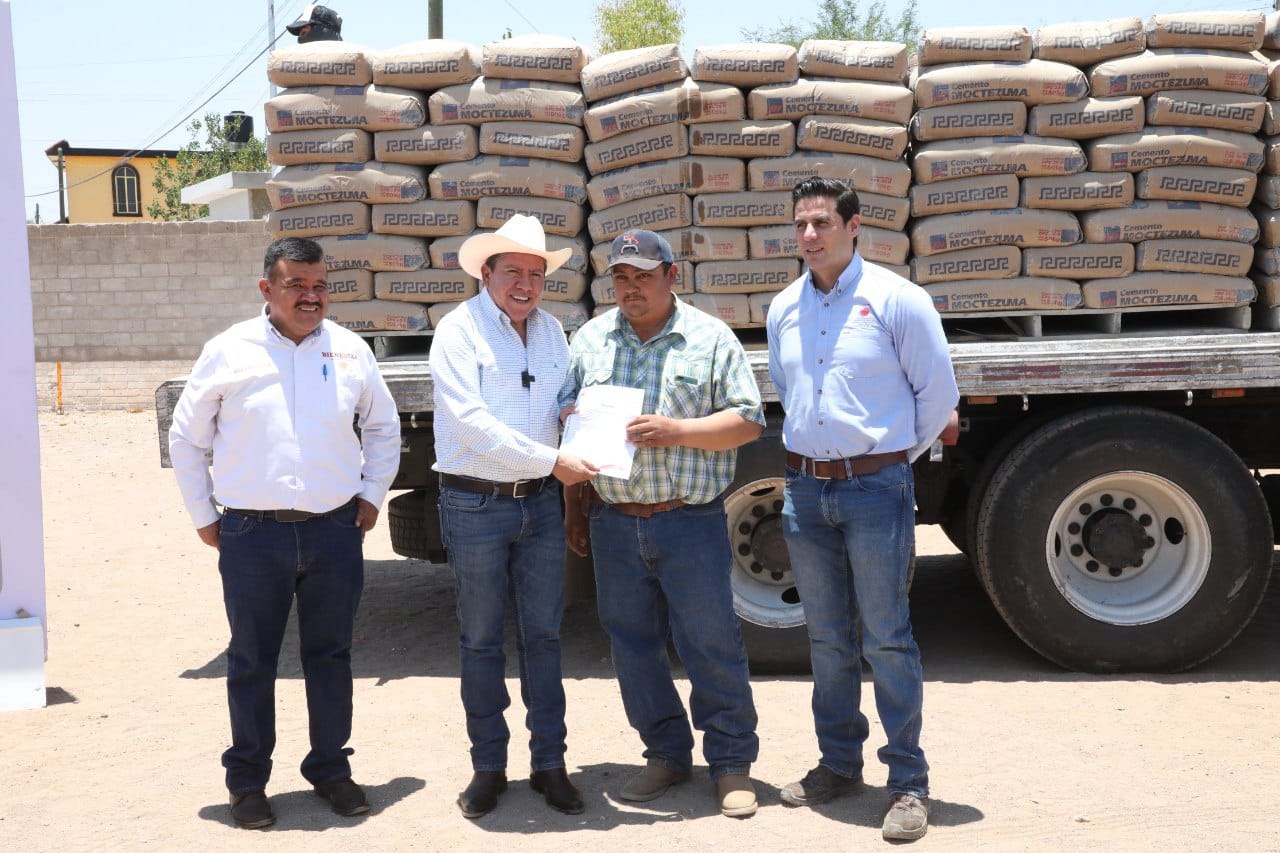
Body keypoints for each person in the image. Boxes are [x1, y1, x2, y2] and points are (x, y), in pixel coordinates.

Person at [168, 236, 400, 829]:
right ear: (266, 289)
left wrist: (371, 495)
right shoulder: (228, 351)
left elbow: (382, 428)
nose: (310, 296)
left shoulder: (350, 350)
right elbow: (186, 438)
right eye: (296, 284)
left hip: (334, 532)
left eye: (320, 285)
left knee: (331, 655)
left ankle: (331, 770)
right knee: (252, 659)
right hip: (253, 534)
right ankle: (247, 782)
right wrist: (204, 516)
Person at [766, 177, 959, 841]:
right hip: (805, 491)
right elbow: (787, 388)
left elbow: (937, 396)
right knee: (826, 637)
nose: (810, 235)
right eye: (801, 224)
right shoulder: (784, 307)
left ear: (854, 227)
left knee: (886, 636)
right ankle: (839, 763)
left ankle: (907, 782)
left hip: (876, 490)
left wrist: (887, 461)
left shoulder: (897, 301)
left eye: (822, 222)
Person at [560, 229, 765, 819]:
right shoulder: (591, 341)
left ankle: (731, 763)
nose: (631, 288)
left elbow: (748, 420)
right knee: (632, 646)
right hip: (615, 522)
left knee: (710, 642)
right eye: (621, 278)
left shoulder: (709, 338)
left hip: (688, 519)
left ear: (672, 277)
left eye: (644, 277)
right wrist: (576, 507)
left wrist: (678, 431)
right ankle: (666, 754)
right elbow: (568, 427)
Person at [429, 214, 599, 819]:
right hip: (476, 502)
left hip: (541, 504)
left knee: (544, 637)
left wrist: (579, 417)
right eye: (513, 272)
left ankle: (550, 765)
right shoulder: (458, 331)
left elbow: (562, 403)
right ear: (486, 272)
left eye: (536, 273)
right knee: (480, 640)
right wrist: (555, 459)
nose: (526, 284)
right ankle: (488, 767)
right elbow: (471, 425)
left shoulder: (552, 331)